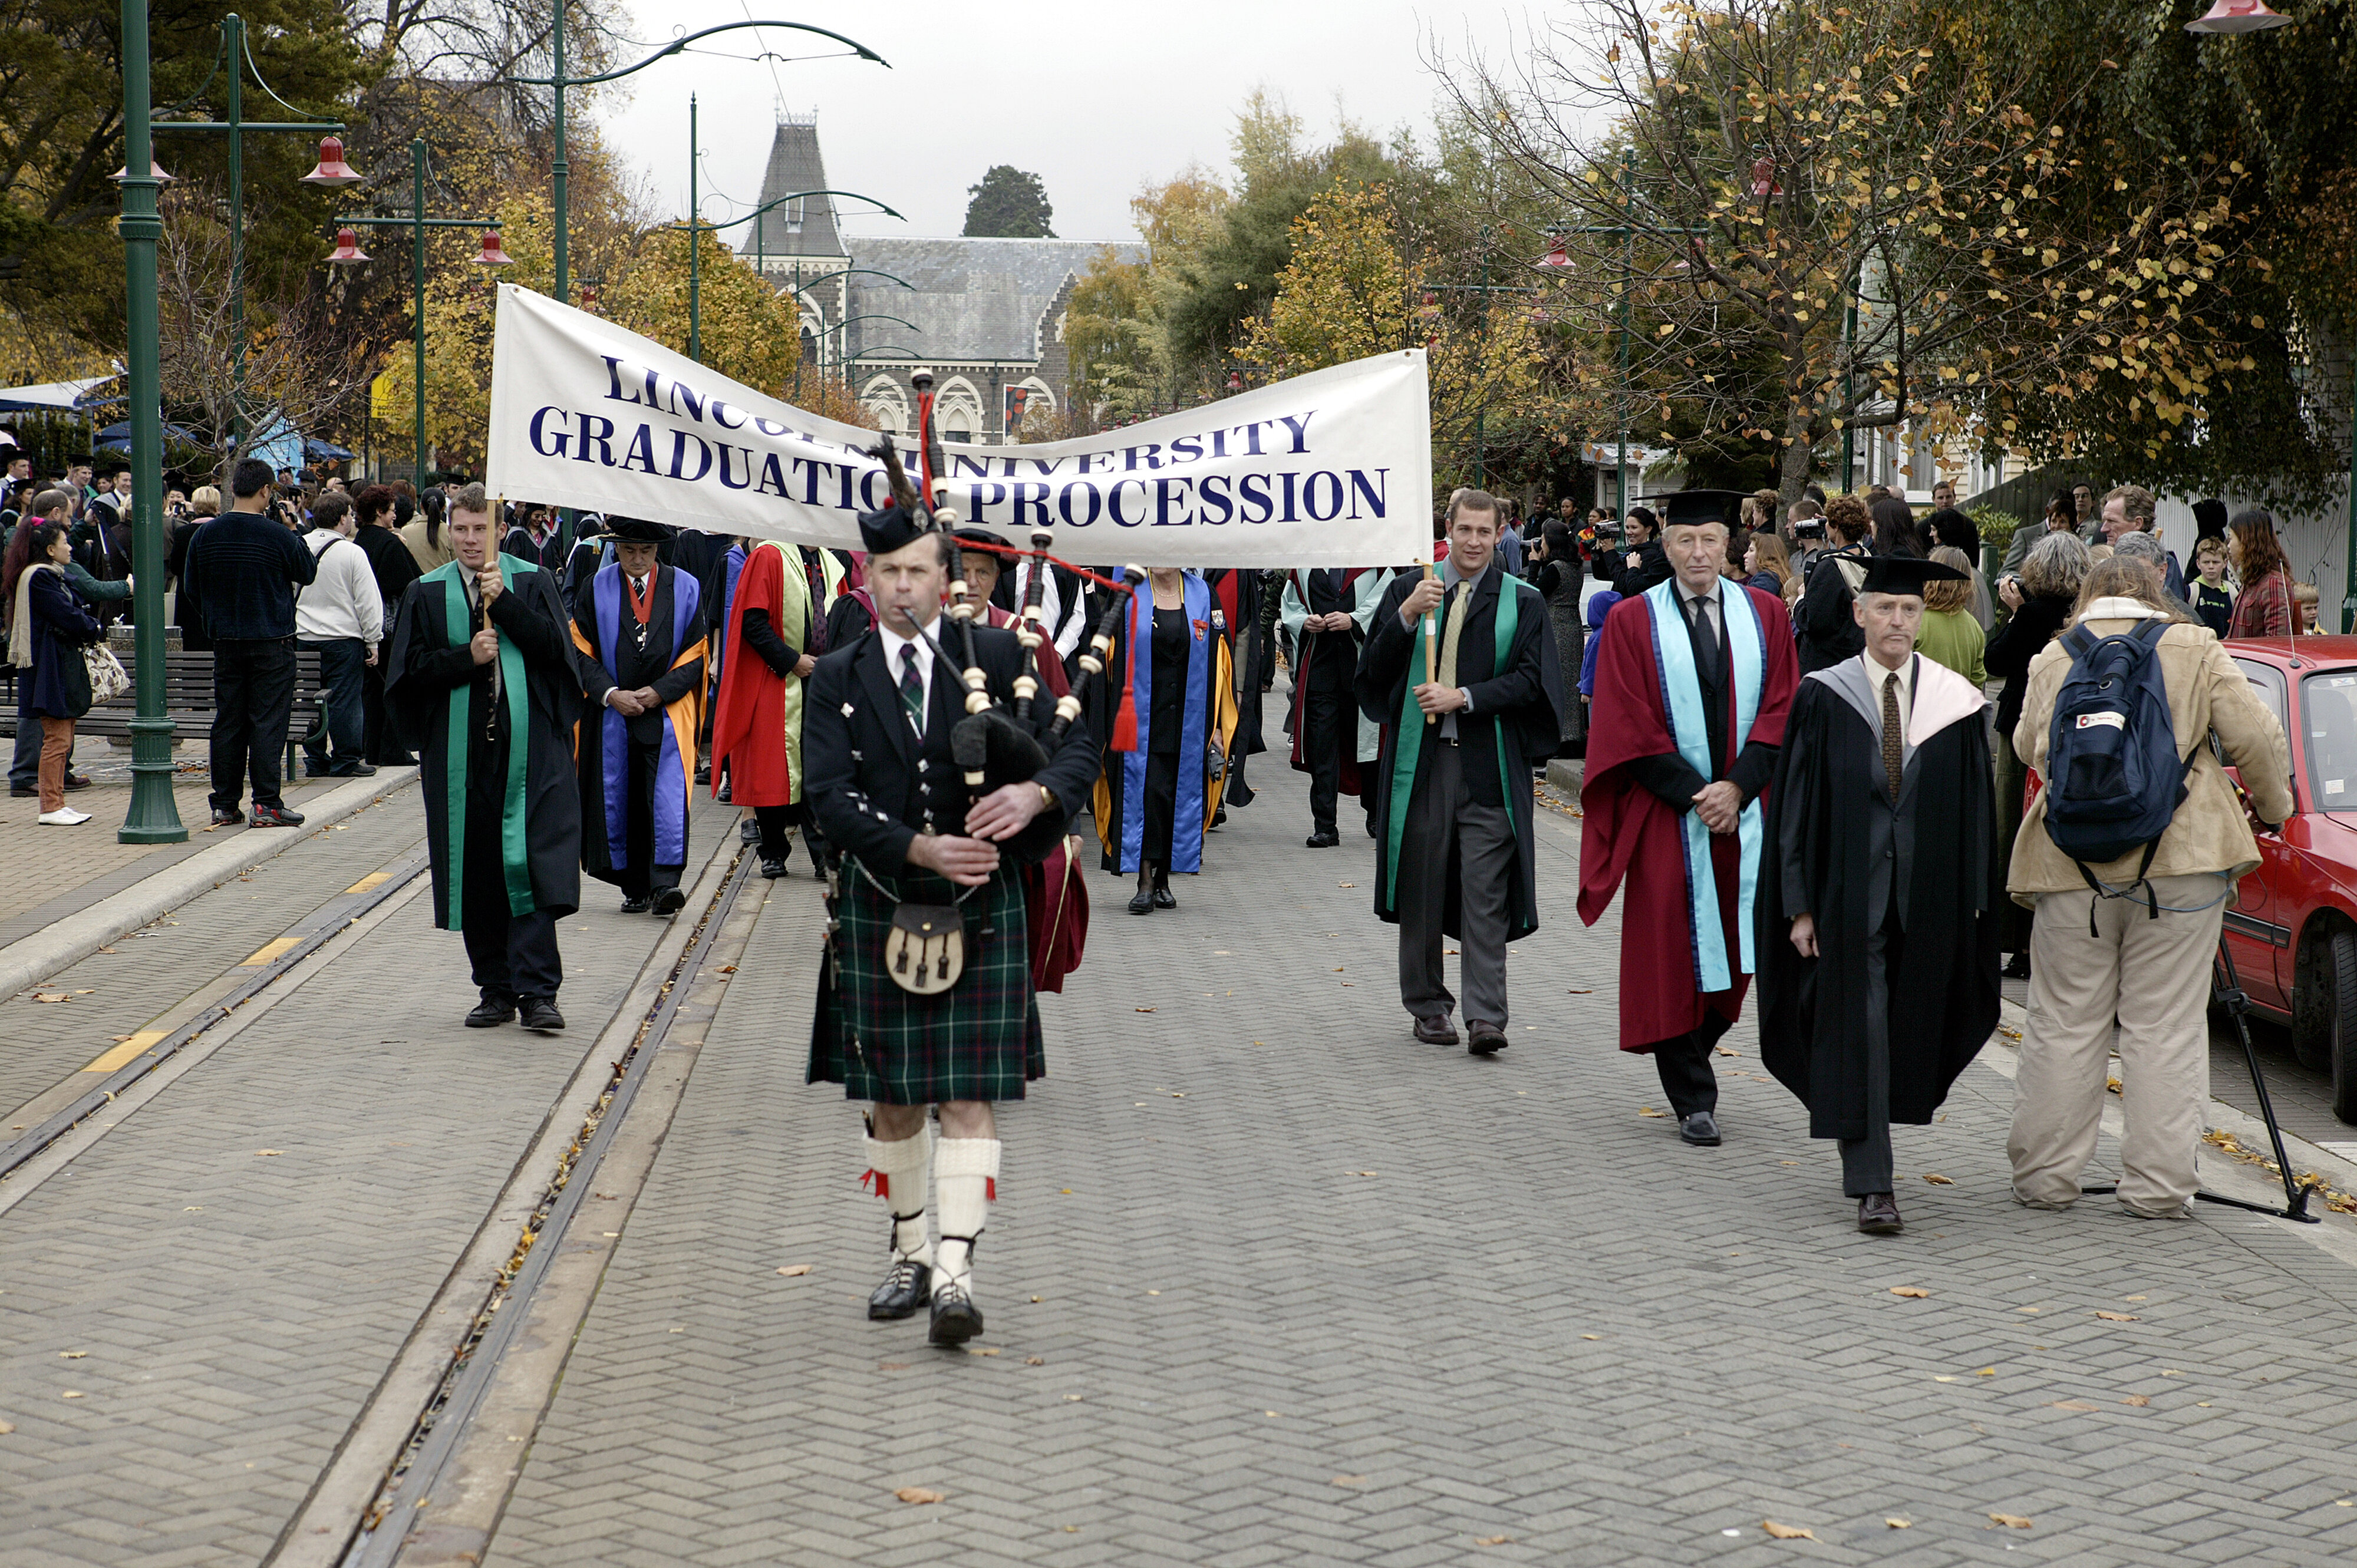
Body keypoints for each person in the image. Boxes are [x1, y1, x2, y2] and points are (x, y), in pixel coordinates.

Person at [804, 486, 1100, 1348]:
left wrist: (1037, 789)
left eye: (918, 572)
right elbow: (826, 797)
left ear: (946, 578)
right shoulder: (836, 676)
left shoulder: (1000, 653)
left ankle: (956, 1274)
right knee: (894, 1101)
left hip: (983, 911)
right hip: (884, 898)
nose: (903, 588)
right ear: (867, 576)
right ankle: (907, 1252)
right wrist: (918, 849)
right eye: (888, 572)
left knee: (968, 1096)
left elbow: (1077, 740)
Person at [2005, 556, 2293, 1218]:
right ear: (2157, 596)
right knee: (2165, 1026)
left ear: (2089, 598)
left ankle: (2046, 1180)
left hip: (2070, 865)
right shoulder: (2195, 646)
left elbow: (2029, 746)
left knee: (2064, 1023)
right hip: (2182, 861)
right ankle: (2158, 1189)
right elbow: (2256, 737)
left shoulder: (2056, 654)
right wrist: (2273, 812)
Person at [1759, 553, 2001, 1233]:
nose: (1897, 621)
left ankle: (1875, 1136)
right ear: (1861, 615)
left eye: (1909, 611)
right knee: (1859, 1022)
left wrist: (1976, 898)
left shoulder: (1954, 702)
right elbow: (1797, 808)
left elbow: (1976, 809)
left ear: (1923, 621)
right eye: (1885, 609)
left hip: (1927, 895)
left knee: (1905, 1023)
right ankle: (1874, 1181)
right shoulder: (1824, 694)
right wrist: (1798, 903)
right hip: (1847, 894)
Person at [1580, 511, 1798, 1141]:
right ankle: (1692, 1095)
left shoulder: (1766, 616)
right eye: (1685, 541)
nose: (1698, 553)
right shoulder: (1630, 618)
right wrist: (1697, 795)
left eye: (1710, 540)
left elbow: (1783, 703)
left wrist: (1738, 787)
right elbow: (1624, 720)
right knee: (1669, 949)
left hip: (1748, 810)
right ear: (1666, 548)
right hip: (1667, 813)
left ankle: (1695, 1048)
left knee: (1742, 948)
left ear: (1729, 547)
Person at [1357, 490, 1563, 1055]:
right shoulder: (1408, 590)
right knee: (1421, 886)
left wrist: (1464, 697)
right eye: (1464, 530)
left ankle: (1486, 1017)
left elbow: (1533, 682)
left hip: (1488, 766)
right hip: (1421, 768)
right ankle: (1427, 1007)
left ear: (1501, 533)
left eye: (1484, 531)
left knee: (1485, 893)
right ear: (1446, 528)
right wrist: (1402, 619)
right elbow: (1370, 677)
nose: (1473, 542)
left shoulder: (1521, 601)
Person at [384, 483, 582, 1032]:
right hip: (462, 759)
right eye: (461, 529)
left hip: (532, 755)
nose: (471, 540)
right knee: (479, 873)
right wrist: (464, 658)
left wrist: (509, 606)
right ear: (449, 528)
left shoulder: (531, 580)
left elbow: (556, 656)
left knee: (533, 867)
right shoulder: (427, 592)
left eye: (480, 528)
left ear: (498, 528)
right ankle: (495, 988)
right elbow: (407, 677)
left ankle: (539, 992)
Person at [569, 517, 707, 917]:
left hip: (665, 712)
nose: (637, 558)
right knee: (622, 800)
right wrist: (612, 694)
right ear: (617, 548)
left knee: (662, 800)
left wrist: (659, 692)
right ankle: (632, 886)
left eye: (645, 551)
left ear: (658, 550)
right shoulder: (596, 587)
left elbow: (696, 652)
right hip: (614, 713)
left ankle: (664, 885)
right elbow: (580, 649)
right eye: (629, 550)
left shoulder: (685, 587)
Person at [1093, 564, 1238, 913]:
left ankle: (1163, 881)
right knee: (1148, 796)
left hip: (1189, 717)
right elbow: (1104, 656)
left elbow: (1222, 660)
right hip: (1140, 719)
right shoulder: (1128, 594)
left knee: (1174, 797)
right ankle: (1144, 881)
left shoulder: (1203, 595)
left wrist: (1218, 725)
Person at [182, 458, 318, 827]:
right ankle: (266, 803)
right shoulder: (278, 535)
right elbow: (307, 572)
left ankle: (225, 803)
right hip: (272, 639)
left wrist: (217, 617)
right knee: (268, 721)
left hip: (226, 640)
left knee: (229, 720)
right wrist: (292, 526)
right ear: (266, 491)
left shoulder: (206, 535)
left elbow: (192, 588)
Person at [1988, 532, 2090, 978]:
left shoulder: (2029, 615)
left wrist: (2012, 616)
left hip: (2023, 734)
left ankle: (2017, 943)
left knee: (2013, 830)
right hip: (2070, 733)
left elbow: (1994, 660)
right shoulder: (2081, 614)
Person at [711, 533, 818, 880]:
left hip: (820, 681)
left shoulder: (832, 563)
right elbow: (752, 622)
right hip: (778, 678)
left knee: (819, 770)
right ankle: (772, 852)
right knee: (771, 768)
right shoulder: (771, 555)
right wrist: (790, 661)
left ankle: (823, 857)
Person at [1280, 563, 1390, 846]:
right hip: (1321, 668)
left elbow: (1387, 599)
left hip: (1362, 669)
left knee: (1369, 747)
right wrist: (1304, 621)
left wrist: (1355, 619)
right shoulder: (1304, 567)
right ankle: (1325, 826)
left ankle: (1376, 813)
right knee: (1322, 748)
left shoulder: (1375, 564)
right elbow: (1290, 604)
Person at [6, 520, 104, 824]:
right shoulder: (40, 578)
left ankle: (57, 801)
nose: (70, 547)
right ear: (50, 549)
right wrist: (94, 627)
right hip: (51, 670)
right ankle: (50, 806)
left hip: (57, 668)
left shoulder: (47, 576)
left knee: (62, 737)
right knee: (57, 740)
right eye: (65, 542)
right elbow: (67, 615)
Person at [293, 491, 383, 779]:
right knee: (345, 701)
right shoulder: (352, 552)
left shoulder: (300, 546)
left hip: (304, 636)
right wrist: (373, 639)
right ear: (342, 518)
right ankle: (346, 760)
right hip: (344, 639)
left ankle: (315, 760)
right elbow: (368, 601)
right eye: (350, 514)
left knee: (310, 700)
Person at [350, 485, 422, 765]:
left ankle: (371, 747)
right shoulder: (391, 545)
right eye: (391, 511)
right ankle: (392, 749)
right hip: (388, 629)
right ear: (380, 513)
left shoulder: (359, 543)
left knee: (370, 693)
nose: (395, 517)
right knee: (394, 689)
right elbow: (410, 582)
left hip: (362, 629)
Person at [1792, 494, 1873, 675]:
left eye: (1829, 521)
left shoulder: (1829, 569)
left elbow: (1815, 622)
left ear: (1836, 527)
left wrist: (1800, 600)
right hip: (1857, 659)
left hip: (1827, 667)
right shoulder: (1867, 558)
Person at [1532, 521, 1585, 759]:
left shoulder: (1555, 568)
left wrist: (1534, 565)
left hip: (1556, 629)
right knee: (1571, 685)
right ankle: (1574, 737)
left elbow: (1533, 593)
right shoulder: (1576, 566)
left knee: (1555, 685)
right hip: (1573, 626)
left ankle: (1558, 740)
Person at [1913, 546, 1987, 687]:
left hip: (1920, 706)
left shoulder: (1915, 621)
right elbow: (1977, 680)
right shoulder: (1974, 628)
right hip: (1959, 706)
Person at [2101, 484, 2184, 599]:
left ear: (2138, 523)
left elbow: (2171, 611)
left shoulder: (2162, 563)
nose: (2103, 529)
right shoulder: (2103, 557)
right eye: (2104, 521)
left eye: (2112, 521)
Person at [2226, 511, 2293, 639]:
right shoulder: (2252, 581)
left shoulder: (2273, 584)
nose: (2228, 546)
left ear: (2245, 541)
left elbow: (2277, 643)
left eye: (2231, 538)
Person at [1999, 488, 2080, 582]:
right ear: (2048, 511)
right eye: (2054, 520)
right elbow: (2006, 572)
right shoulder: (2025, 536)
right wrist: (2031, 580)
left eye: (2063, 521)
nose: (2057, 526)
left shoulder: (2078, 543)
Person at [2188, 535, 2234, 638]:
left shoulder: (2232, 593)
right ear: (2198, 564)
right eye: (2206, 562)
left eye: (2216, 562)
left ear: (2225, 563)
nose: (2211, 566)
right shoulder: (2192, 591)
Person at [400, 488, 456, 573]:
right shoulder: (450, 533)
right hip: (443, 583)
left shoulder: (405, 532)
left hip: (416, 584)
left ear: (421, 506)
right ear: (444, 508)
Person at [1743, 530, 1797, 605]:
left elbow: (1748, 598)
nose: (1745, 555)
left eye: (1751, 550)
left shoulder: (1768, 577)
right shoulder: (1772, 576)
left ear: (1764, 555)